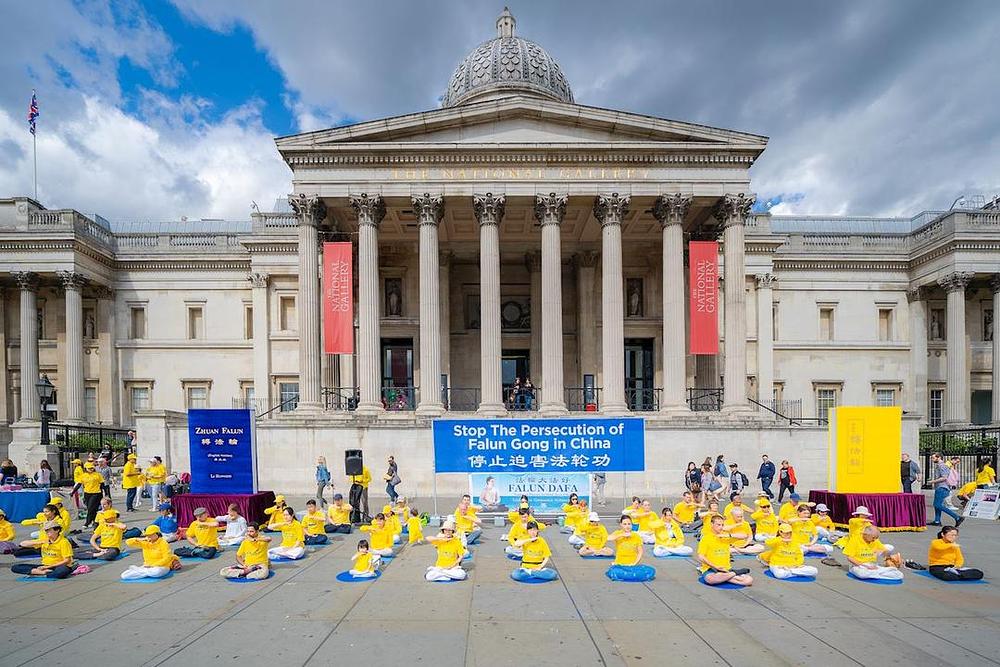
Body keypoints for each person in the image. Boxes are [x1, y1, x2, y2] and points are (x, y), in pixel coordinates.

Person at [697, 514, 753, 587]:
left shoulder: (725, 536)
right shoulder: (706, 538)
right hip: (711, 569)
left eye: (722, 525)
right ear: (712, 524)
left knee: (749, 580)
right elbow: (701, 556)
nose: (721, 527)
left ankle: (726, 576)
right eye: (718, 525)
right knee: (710, 579)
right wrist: (715, 566)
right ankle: (734, 574)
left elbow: (744, 535)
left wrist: (728, 535)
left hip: (726, 569)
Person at [10, 521, 74, 579]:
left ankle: (40, 573)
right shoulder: (44, 540)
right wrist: (40, 542)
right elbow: (22, 544)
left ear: (57, 530)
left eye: (49, 530)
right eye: (46, 531)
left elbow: (67, 560)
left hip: (59, 566)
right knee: (15, 567)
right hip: (45, 566)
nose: (47, 532)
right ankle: (42, 573)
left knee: (61, 572)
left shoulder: (63, 542)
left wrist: (48, 567)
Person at [606, 515, 656, 582]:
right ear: (621, 525)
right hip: (620, 565)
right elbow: (608, 538)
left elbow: (640, 552)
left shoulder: (636, 536)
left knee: (651, 571)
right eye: (625, 524)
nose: (627, 526)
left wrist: (634, 563)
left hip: (632, 566)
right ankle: (630, 575)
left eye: (629, 524)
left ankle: (629, 575)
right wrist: (622, 535)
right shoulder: (618, 533)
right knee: (615, 571)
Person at [927, 452, 963, 527]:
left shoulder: (942, 466)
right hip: (940, 487)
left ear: (939, 457)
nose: (932, 459)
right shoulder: (940, 465)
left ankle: (957, 517)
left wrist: (932, 482)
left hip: (942, 487)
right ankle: (937, 521)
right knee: (937, 505)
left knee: (937, 505)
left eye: (933, 457)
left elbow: (944, 477)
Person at [79, 461, 103, 528]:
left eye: (92, 468)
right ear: (85, 468)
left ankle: (87, 522)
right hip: (87, 493)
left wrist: (106, 494)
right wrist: (73, 492)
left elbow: (102, 484)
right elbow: (79, 484)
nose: (91, 469)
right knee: (93, 509)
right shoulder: (83, 476)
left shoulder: (97, 475)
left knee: (90, 508)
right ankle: (95, 521)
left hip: (96, 493)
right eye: (89, 468)